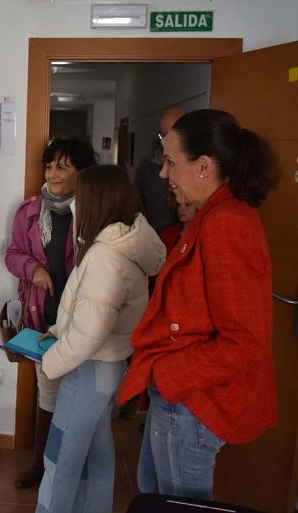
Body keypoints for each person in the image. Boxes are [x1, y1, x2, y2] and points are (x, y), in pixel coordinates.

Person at [118, 109, 280, 499]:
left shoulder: (226, 224)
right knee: (154, 495)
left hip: (193, 401)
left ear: (204, 166)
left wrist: (168, 375)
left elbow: (245, 340)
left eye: (171, 162)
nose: (163, 174)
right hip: (182, 395)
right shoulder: (213, 216)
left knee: (178, 505)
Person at [34, 165, 165, 513]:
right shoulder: (122, 244)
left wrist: (51, 361)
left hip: (90, 369)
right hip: (107, 367)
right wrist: (59, 332)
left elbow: (91, 332)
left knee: (60, 458)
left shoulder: (106, 256)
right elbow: (93, 312)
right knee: (96, 454)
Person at [4, 137, 97, 489]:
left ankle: (77, 466)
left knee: (84, 394)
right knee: (48, 393)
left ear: (83, 173)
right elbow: (12, 253)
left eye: (63, 166)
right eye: (49, 165)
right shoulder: (29, 210)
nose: (53, 173)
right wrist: (33, 270)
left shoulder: (95, 210)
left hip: (84, 319)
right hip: (45, 317)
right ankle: (43, 464)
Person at [134, 108, 185, 233]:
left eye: (172, 135)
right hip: (154, 237)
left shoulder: (194, 166)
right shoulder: (146, 166)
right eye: (163, 135)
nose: (166, 140)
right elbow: (137, 203)